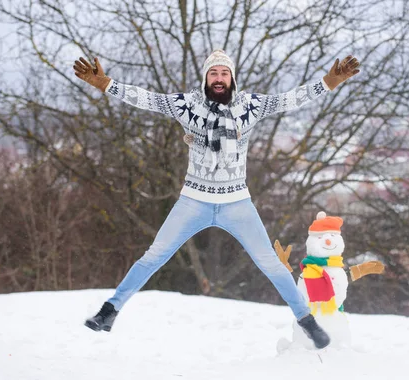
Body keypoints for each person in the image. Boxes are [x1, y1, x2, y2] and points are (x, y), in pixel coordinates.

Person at [73, 49, 360, 349]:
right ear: (206, 78)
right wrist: (106, 84)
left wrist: (328, 82)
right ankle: (109, 311)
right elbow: (146, 98)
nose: (219, 78)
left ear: (232, 78)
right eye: (214, 74)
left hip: (237, 202)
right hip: (193, 201)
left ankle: (307, 321)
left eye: (224, 73)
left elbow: (290, 98)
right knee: (153, 257)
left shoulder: (250, 106)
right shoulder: (187, 106)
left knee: (272, 265)